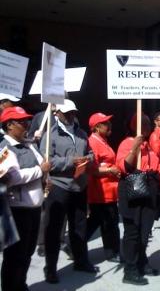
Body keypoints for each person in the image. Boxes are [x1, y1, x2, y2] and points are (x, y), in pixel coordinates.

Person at [40, 99, 97, 284]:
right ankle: (51, 268)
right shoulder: (50, 135)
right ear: (58, 114)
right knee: (55, 229)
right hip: (59, 186)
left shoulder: (81, 133)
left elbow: (90, 153)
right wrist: (70, 161)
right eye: (67, 113)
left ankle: (81, 260)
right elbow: (46, 161)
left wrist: (87, 159)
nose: (71, 115)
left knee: (79, 226)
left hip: (79, 186)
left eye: (73, 112)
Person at [0, 106, 51, 291]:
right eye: (21, 122)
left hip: (34, 207)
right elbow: (11, 177)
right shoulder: (5, 149)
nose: (26, 124)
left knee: (27, 252)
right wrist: (40, 171)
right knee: (14, 255)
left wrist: (45, 181)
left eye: (26, 120)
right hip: (17, 210)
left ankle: (20, 284)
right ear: (9, 125)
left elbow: (42, 165)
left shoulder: (29, 144)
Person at [116, 113, 160, 285]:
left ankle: (142, 261)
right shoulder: (127, 143)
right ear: (134, 125)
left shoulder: (148, 145)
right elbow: (124, 167)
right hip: (132, 190)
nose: (147, 126)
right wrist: (134, 147)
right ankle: (130, 270)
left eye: (149, 123)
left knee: (144, 230)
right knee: (132, 232)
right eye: (143, 123)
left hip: (147, 191)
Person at [86, 112, 121, 263]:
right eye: (105, 123)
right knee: (109, 222)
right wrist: (110, 170)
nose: (109, 125)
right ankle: (112, 251)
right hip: (100, 190)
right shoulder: (92, 143)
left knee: (99, 221)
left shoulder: (103, 140)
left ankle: (74, 244)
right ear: (96, 127)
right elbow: (92, 169)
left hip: (109, 189)